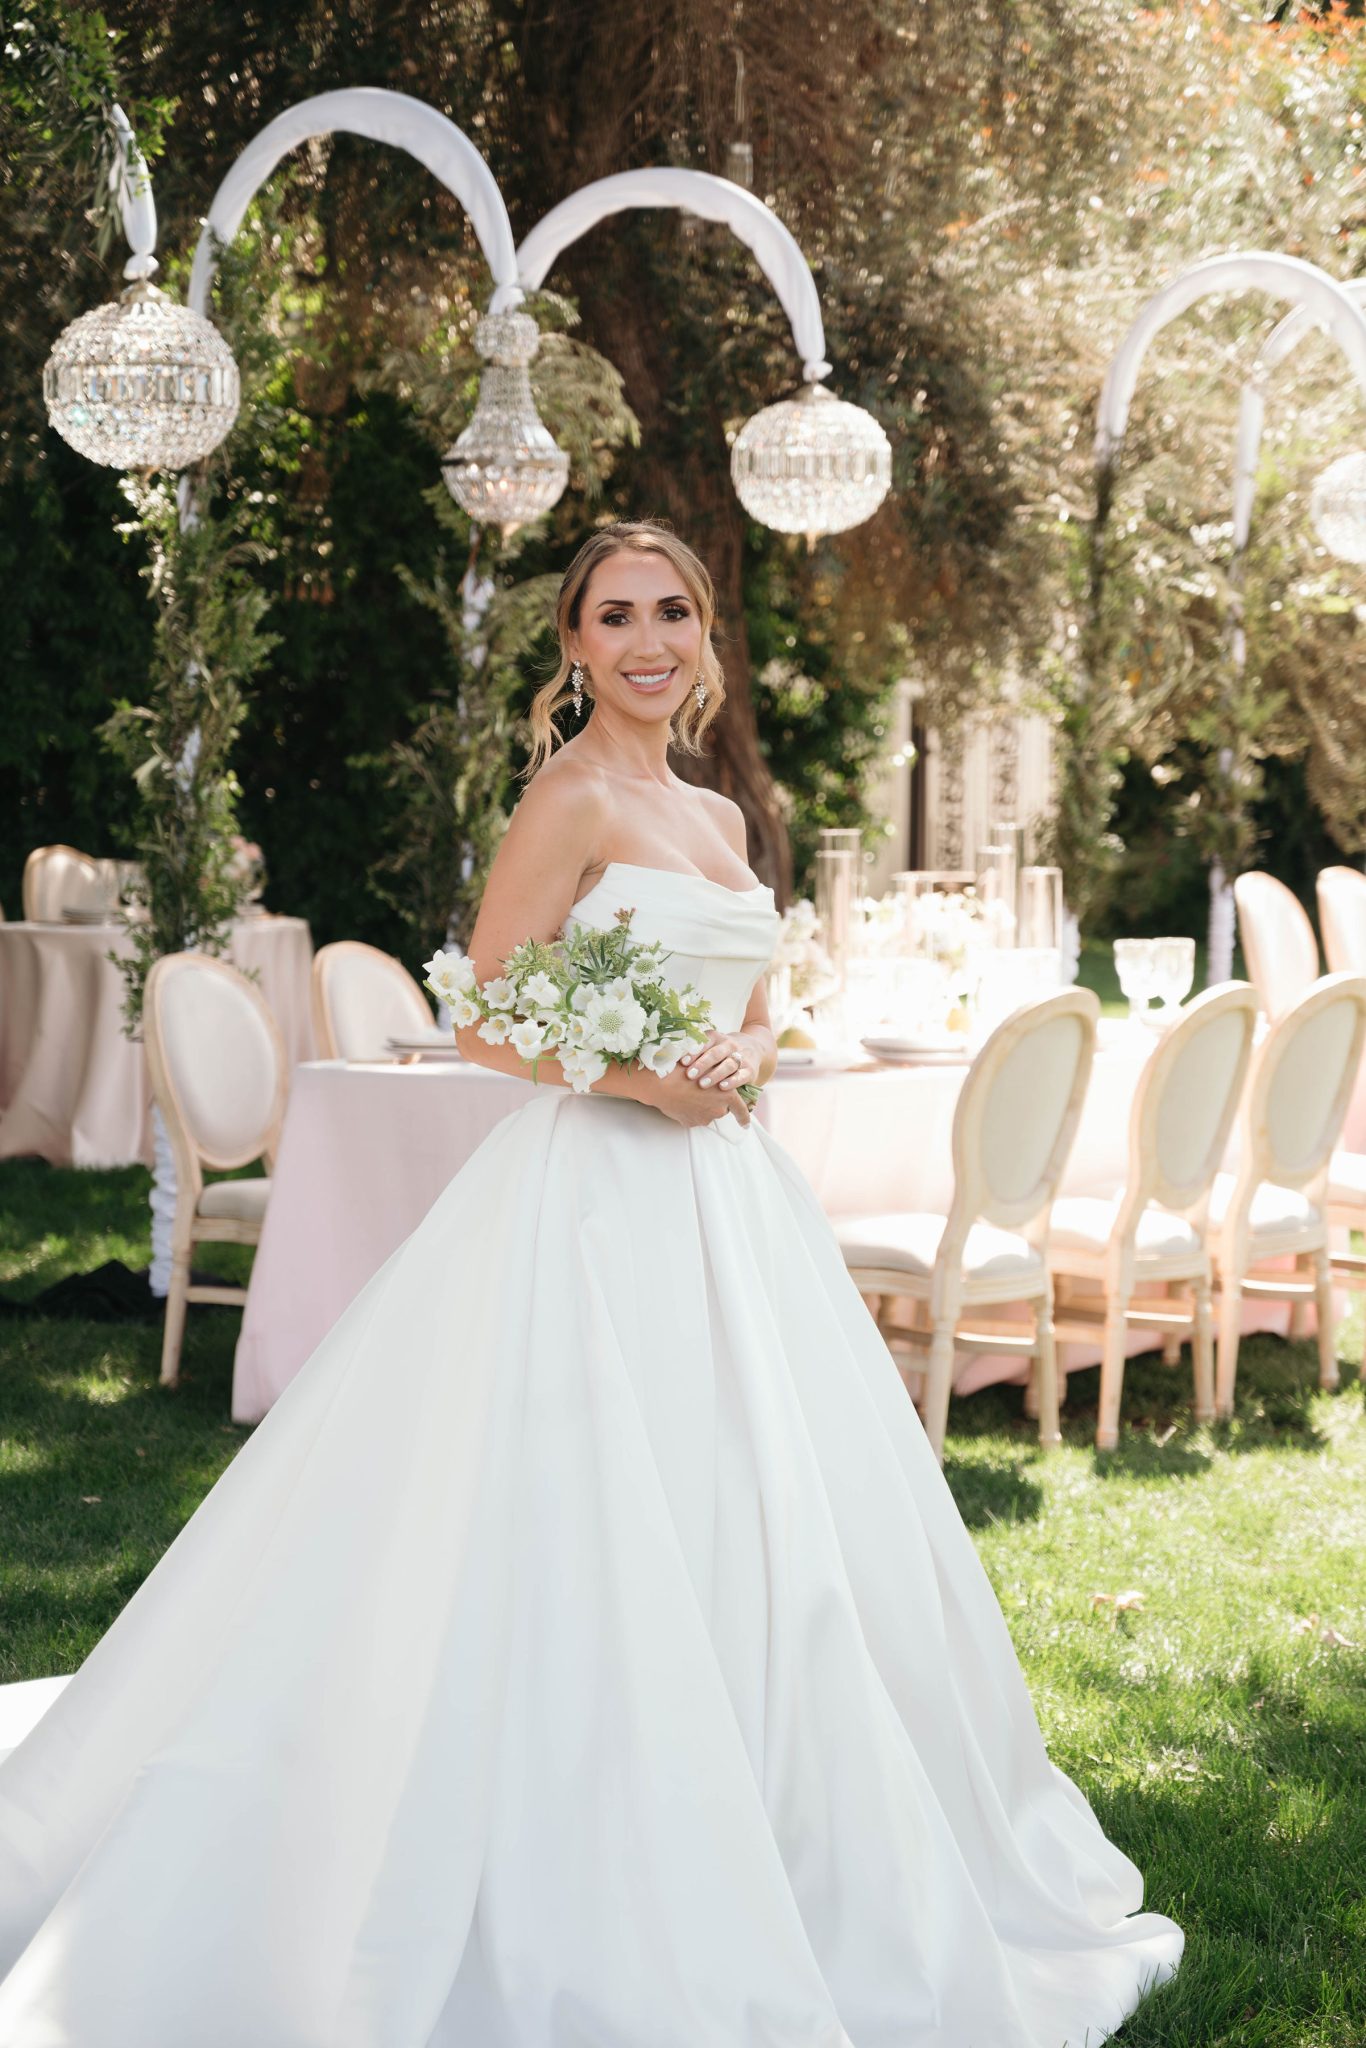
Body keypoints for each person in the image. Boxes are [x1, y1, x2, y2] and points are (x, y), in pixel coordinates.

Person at [0, 520, 1183, 2046]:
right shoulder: (562, 799)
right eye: (614, 615)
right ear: (571, 645)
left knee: (764, 1520)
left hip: (725, 1205)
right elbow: (485, 1007)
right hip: (589, 1198)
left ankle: (785, 1813)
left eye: (672, 612)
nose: (645, 639)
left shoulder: (717, 813)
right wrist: (639, 1079)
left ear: (704, 637)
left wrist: (738, 1063)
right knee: (572, 1509)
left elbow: (763, 1005)